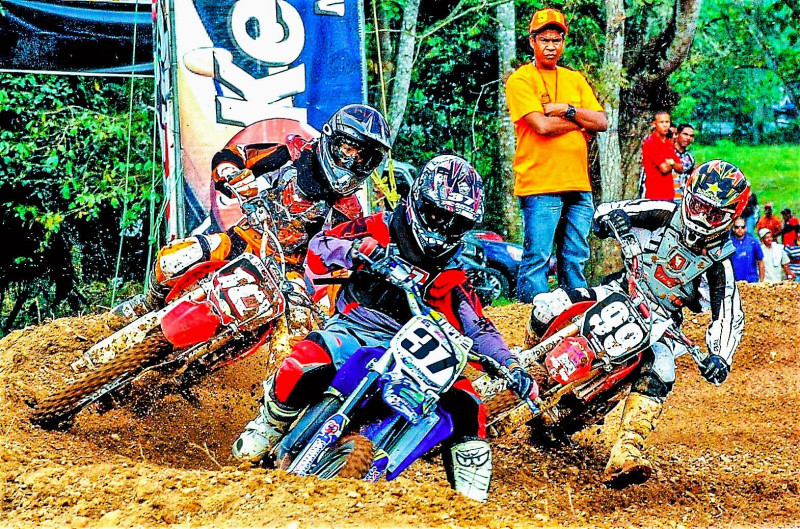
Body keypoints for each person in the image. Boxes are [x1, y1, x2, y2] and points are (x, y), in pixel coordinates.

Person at [231, 155, 536, 502]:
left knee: (467, 404)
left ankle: (472, 503)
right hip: (356, 328)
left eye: (455, 223)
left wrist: (510, 364)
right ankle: (269, 426)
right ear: (419, 202)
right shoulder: (378, 228)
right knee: (310, 358)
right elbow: (320, 246)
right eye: (437, 215)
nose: (442, 228)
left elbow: (477, 326)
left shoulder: (452, 272)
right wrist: (357, 252)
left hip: (416, 353)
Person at [527, 160, 748, 488]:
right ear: (687, 196)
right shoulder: (662, 210)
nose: (701, 218)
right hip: (620, 288)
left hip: (662, 322)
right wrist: (608, 220)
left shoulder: (720, 265)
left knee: (663, 367)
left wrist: (720, 356)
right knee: (550, 305)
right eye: (699, 206)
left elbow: (728, 314)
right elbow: (613, 210)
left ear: (730, 218)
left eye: (713, 214)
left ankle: (627, 450)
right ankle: (530, 363)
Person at [112, 104, 392, 320]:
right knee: (176, 258)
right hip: (244, 240)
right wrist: (229, 172)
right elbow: (237, 154)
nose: (352, 160)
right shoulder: (293, 153)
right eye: (347, 149)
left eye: (362, 157)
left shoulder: (349, 208)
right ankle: (146, 303)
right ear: (332, 139)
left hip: (290, 269)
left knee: (300, 323)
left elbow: (340, 258)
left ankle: (267, 387)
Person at [505, 7, 608, 303]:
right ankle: (532, 318)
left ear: (563, 43)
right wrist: (580, 124)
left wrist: (567, 110)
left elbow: (601, 122)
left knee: (574, 256)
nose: (551, 46)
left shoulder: (574, 79)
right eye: (544, 39)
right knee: (538, 257)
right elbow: (541, 125)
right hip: (541, 184)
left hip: (578, 184)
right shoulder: (521, 80)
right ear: (532, 42)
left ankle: (577, 315)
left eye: (556, 40)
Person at [641, 111, 683, 201]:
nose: (665, 125)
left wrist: (670, 162)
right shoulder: (650, 143)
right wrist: (672, 164)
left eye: (667, 122)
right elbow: (664, 169)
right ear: (654, 124)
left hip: (669, 195)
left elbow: (680, 168)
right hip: (654, 195)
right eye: (661, 122)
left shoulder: (668, 143)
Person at [672, 123, 696, 204]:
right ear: (677, 134)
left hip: (681, 200)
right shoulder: (667, 152)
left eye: (691, 136)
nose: (688, 138)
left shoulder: (690, 158)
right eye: (685, 134)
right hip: (666, 198)